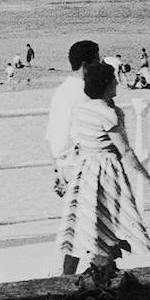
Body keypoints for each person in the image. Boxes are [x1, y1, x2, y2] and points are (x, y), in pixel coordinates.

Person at [55, 62, 150, 276]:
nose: (117, 82)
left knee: (81, 224)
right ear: (106, 84)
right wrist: (146, 176)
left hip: (84, 170)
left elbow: (77, 140)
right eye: (113, 79)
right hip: (106, 171)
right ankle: (103, 273)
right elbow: (125, 150)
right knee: (109, 222)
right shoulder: (109, 114)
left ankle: (67, 276)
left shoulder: (81, 108)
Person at [46, 40, 100, 201]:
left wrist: (57, 167)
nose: (99, 65)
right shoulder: (84, 93)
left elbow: (51, 134)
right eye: (97, 60)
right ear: (86, 64)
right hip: (79, 163)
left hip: (63, 163)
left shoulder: (61, 90)